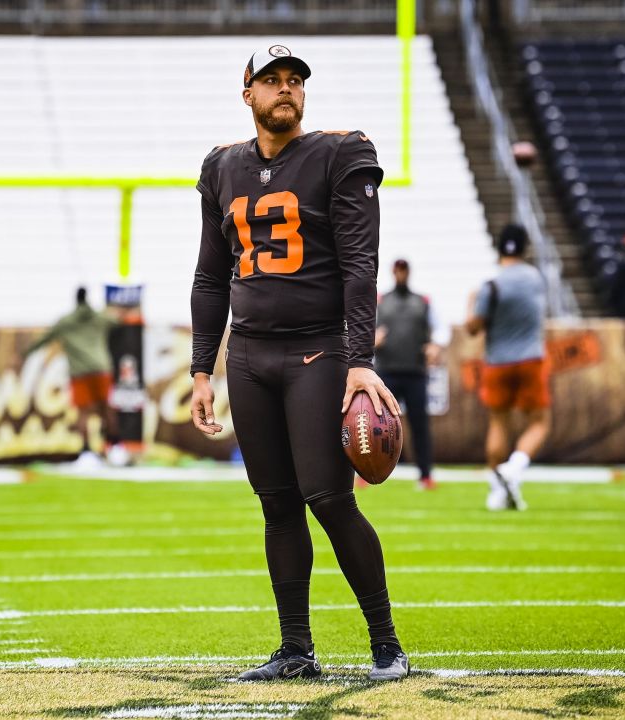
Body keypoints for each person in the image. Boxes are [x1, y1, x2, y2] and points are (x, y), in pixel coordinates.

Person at [189, 44, 410, 682]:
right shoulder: (221, 166)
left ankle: (385, 644)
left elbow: (361, 262)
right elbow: (210, 275)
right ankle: (295, 650)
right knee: (276, 504)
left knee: (328, 497)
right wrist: (203, 370)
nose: (285, 89)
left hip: (318, 349)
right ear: (248, 92)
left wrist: (360, 360)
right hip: (251, 356)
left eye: (295, 81)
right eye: (272, 81)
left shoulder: (338, 153)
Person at [465, 224, 551, 511]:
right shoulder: (536, 278)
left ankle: (498, 489)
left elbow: (473, 329)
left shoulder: (492, 285)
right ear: (525, 248)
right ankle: (514, 469)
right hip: (530, 359)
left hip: (498, 362)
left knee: (498, 422)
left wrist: (470, 305)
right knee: (538, 422)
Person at [24, 287, 118, 466]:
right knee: (107, 410)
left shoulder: (66, 322)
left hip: (79, 372)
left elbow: (46, 338)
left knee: (83, 413)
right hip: (101, 369)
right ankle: (114, 448)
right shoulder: (99, 317)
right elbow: (116, 322)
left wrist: (26, 352)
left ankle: (86, 451)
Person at [374, 259, 446, 490]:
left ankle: (425, 475)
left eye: (404, 269)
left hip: (414, 372)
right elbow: (361, 328)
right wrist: (371, 340)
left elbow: (442, 329)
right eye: (398, 269)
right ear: (393, 271)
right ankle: (367, 471)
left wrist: (436, 345)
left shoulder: (422, 302)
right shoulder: (380, 301)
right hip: (386, 372)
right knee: (375, 425)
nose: (401, 273)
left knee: (419, 426)